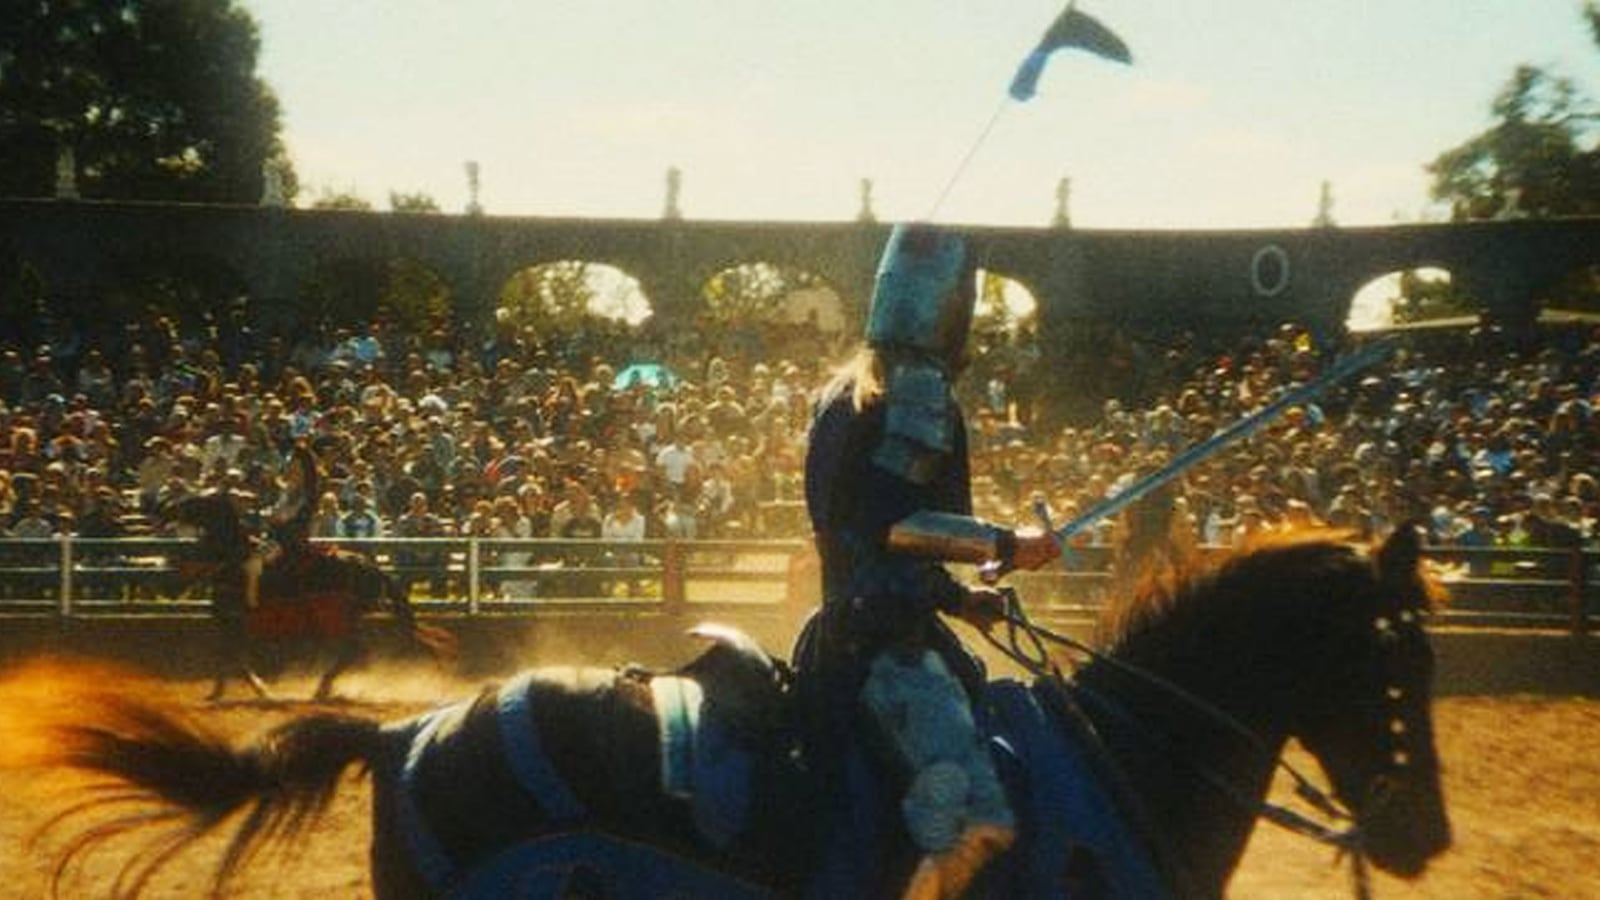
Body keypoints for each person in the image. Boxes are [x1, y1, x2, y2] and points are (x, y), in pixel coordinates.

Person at [793, 223, 1059, 899]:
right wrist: (1008, 543)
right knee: (978, 820)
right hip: (889, 652)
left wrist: (958, 599)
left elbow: (863, 529)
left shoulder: (843, 389)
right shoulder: (913, 391)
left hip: (846, 629)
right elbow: (897, 526)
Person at [243, 444, 319, 608]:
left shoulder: (307, 494)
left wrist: (277, 517)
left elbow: (287, 517)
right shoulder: (287, 492)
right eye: (291, 466)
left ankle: (253, 603)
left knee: (254, 563)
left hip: (291, 540)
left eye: (297, 467)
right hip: (276, 536)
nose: (292, 470)